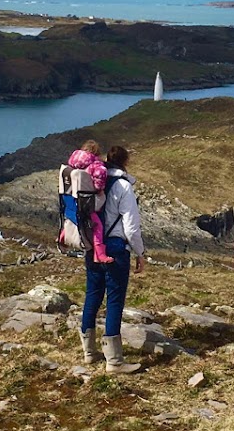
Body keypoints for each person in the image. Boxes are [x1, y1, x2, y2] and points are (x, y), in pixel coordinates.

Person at [79, 145, 145, 374]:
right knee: (114, 301)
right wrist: (140, 252)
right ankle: (114, 361)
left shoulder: (92, 180)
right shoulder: (124, 186)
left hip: (92, 248)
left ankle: (89, 353)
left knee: (92, 296)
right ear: (125, 162)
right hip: (115, 251)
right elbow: (131, 227)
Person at [67, 139, 113, 264]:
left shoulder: (72, 164)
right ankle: (100, 254)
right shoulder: (95, 165)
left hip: (73, 200)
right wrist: (100, 190)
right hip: (88, 202)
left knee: (72, 219)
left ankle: (63, 237)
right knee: (97, 226)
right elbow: (100, 178)